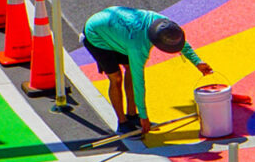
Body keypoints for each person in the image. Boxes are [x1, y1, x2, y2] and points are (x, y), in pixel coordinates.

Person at [80, 7, 213, 136]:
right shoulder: (139, 47)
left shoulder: (163, 23)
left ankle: (132, 115)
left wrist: (197, 62)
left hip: (118, 31)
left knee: (130, 69)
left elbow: (179, 40)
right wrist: (144, 116)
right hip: (96, 34)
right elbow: (139, 83)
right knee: (116, 78)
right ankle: (123, 123)